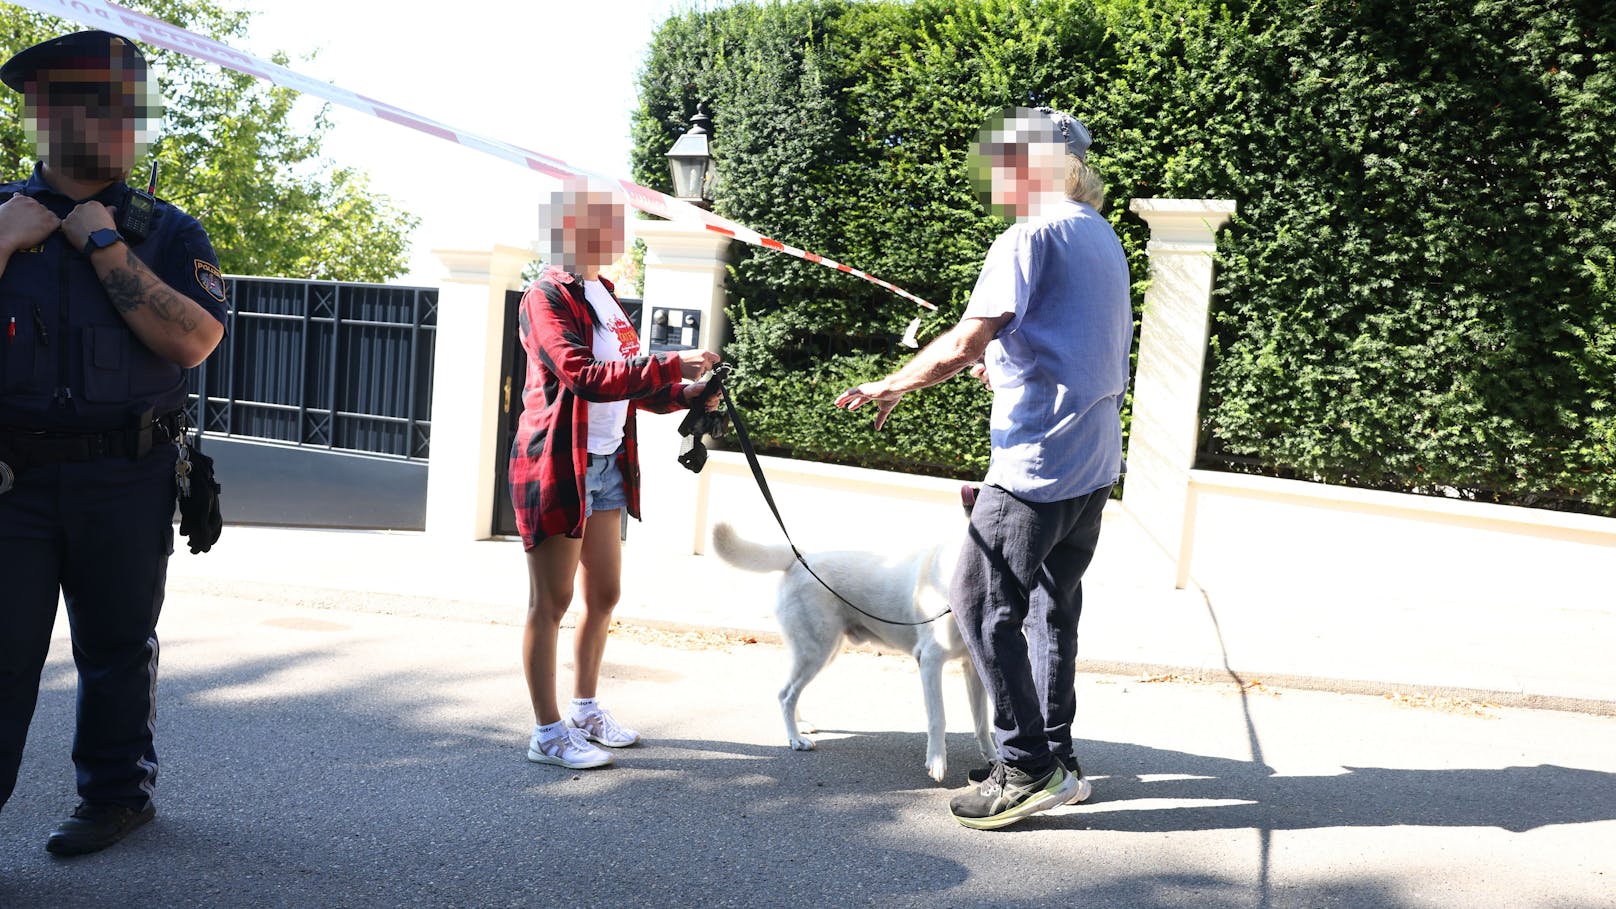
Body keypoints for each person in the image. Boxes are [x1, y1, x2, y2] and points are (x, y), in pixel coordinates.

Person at [834, 106, 1132, 830]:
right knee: (1049, 609)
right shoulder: (1101, 236)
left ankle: (1025, 767)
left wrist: (895, 382)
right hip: (1092, 466)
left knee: (976, 597)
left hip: (1035, 466)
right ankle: (1058, 757)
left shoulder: (1027, 235)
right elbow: (1062, 346)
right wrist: (1002, 364)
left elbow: (967, 340)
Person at [0, 31, 228, 855]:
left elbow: (195, 339)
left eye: (132, 105)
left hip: (126, 476)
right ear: (47, 112)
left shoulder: (164, 231)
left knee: (120, 648)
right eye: (104, 102)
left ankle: (116, 795)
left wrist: (102, 242)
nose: (125, 121)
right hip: (10, 482)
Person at [513, 180, 720, 770]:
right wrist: (669, 363)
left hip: (606, 464)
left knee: (603, 595)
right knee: (549, 602)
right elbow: (581, 375)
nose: (616, 238)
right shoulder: (544, 296)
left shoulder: (603, 293)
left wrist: (685, 393)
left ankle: (584, 709)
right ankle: (546, 732)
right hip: (559, 462)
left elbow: (628, 383)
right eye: (605, 227)